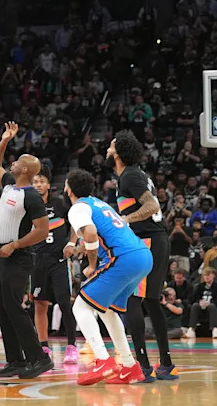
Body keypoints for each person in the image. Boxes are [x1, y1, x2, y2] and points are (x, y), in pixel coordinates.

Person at [64, 169, 153, 386]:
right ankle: (131, 367)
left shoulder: (77, 208)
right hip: (143, 256)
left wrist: (92, 265)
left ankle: (103, 361)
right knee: (108, 310)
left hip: (123, 258)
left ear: (69, 188)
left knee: (80, 307)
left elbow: (92, 233)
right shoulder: (98, 203)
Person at [106, 131, 178, 381]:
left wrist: (126, 219)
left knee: (133, 302)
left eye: (111, 145)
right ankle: (166, 363)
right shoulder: (134, 175)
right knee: (150, 302)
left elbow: (152, 206)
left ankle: (143, 367)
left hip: (148, 241)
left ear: (119, 151)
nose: (108, 147)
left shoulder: (131, 176)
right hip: (154, 240)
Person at [0, 123, 53, 379]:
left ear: (25, 169)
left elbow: (42, 230)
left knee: (15, 308)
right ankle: (15, 360)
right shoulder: (8, 185)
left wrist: (15, 244)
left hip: (19, 257)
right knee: (3, 310)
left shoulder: (33, 196)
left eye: (16, 162)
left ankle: (39, 357)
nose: (11, 163)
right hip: (1, 255)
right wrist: (4, 140)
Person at [31, 164, 79, 364]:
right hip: (38, 261)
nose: (38, 184)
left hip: (59, 260)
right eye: (35, 181)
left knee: (64, 303)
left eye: (42, 181)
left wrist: (72, 242)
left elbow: (76, 222)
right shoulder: (29, 206)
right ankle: (44, 347)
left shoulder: (59, 204)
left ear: (49, 184)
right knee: (40, 305)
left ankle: (71, 347)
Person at [185, 267, 217, 339]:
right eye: (205, 275)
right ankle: (192, 328)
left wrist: (209, 303)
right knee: (195, 305)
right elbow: (195, 298)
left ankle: (214, 329)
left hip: (213, 307)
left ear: (213, 276)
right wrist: (200, 302)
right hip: (201, 306)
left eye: (208, 275)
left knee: (212, 306)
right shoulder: (200, 286)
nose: (206, 277)